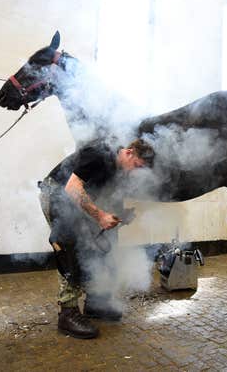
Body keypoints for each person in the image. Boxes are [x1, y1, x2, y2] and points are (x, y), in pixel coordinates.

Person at [39, 138, 155, 339]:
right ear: (128, 153)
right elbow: (73, 188)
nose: (134, 173)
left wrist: (121, 215)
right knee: (70, 248)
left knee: (99, 246)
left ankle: (95, 302)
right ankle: (67, 313)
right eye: (136, 166)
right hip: (56, 193)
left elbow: (103, 196)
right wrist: (100, 216)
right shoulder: (100, 153)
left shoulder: (120, 169)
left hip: (74, 200)